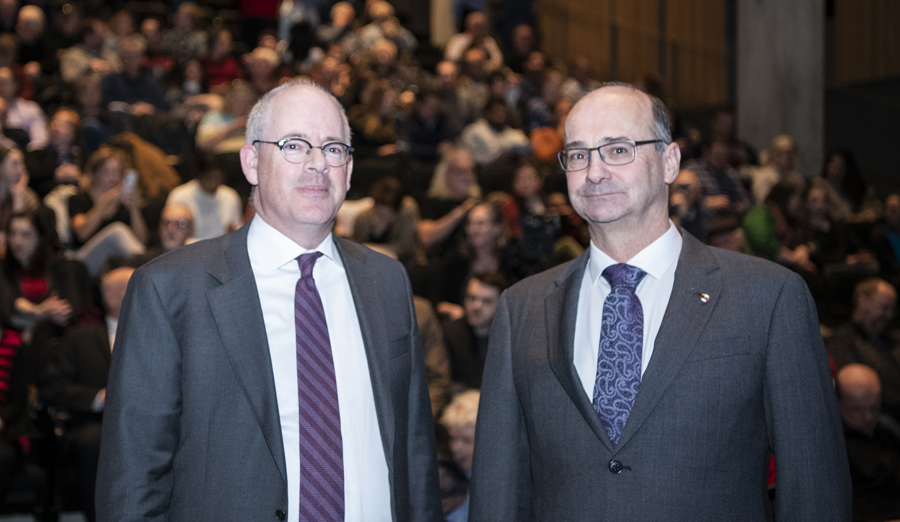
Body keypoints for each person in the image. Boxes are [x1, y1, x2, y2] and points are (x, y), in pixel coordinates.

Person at [469, 83, 850, 521]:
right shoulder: (522, 309)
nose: (593, 172)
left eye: (616, 150)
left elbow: (815, 493)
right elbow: (496, 496)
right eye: (578, 154)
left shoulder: (770, 298)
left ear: (669, 161)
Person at [96, 79, 442, 522]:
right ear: (252, 161)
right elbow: (133, 483)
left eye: (334, 149)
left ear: (350, 171)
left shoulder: (388, 281)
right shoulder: (168, 290)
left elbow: (415, 457)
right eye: (295, 145)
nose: (318, 163)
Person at [42, 266, 133, 522]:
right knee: (95, 441)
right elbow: (53, 388)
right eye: (135, 289)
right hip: (95, 422)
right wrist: (99, 398)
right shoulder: (79, 338)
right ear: (113, 297)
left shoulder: (160, 333)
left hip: (145, 421)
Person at [827, 278, 900, 422]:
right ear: (862, 301)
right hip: (877, 418)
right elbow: (858, 390)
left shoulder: (893, 341)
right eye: (884, 307)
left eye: (892, 310)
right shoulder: (840, 341)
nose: (889, 315)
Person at [835, 364, 900, 522]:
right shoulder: (832, 448)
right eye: (856, 409)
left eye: (874, 407)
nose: (868, 417)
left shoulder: (888, 429)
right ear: (837, 402)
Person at [442, 273, 507, 389]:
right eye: (471, 298)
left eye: (487, 301)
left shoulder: (508, 337)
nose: (476, 306)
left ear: (500, 305)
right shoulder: (448, 333)